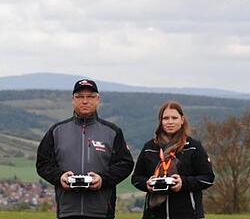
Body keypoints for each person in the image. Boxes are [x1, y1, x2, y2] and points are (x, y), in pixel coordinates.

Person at [36, 79, 134, 219]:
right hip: (67, 211)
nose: (85, 101)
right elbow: (43, 164)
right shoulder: (56, 131)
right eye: (80, 97)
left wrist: (103, 179)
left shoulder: (112, 131)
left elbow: (125, 164)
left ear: (98, 99)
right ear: (73, 100)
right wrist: (59, 177)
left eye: (90, 96)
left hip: (101, 211)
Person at [132, 101, 214, 219]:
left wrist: (183, 183)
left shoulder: (193, 147)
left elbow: (208, 178)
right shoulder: (149, 148)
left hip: (188, 214)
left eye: (174, 118)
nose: (170, 122)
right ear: (161, 121)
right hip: (154, 214)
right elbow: (136, 178)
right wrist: (147, 184)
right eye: (165, 118)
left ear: (182, 120)